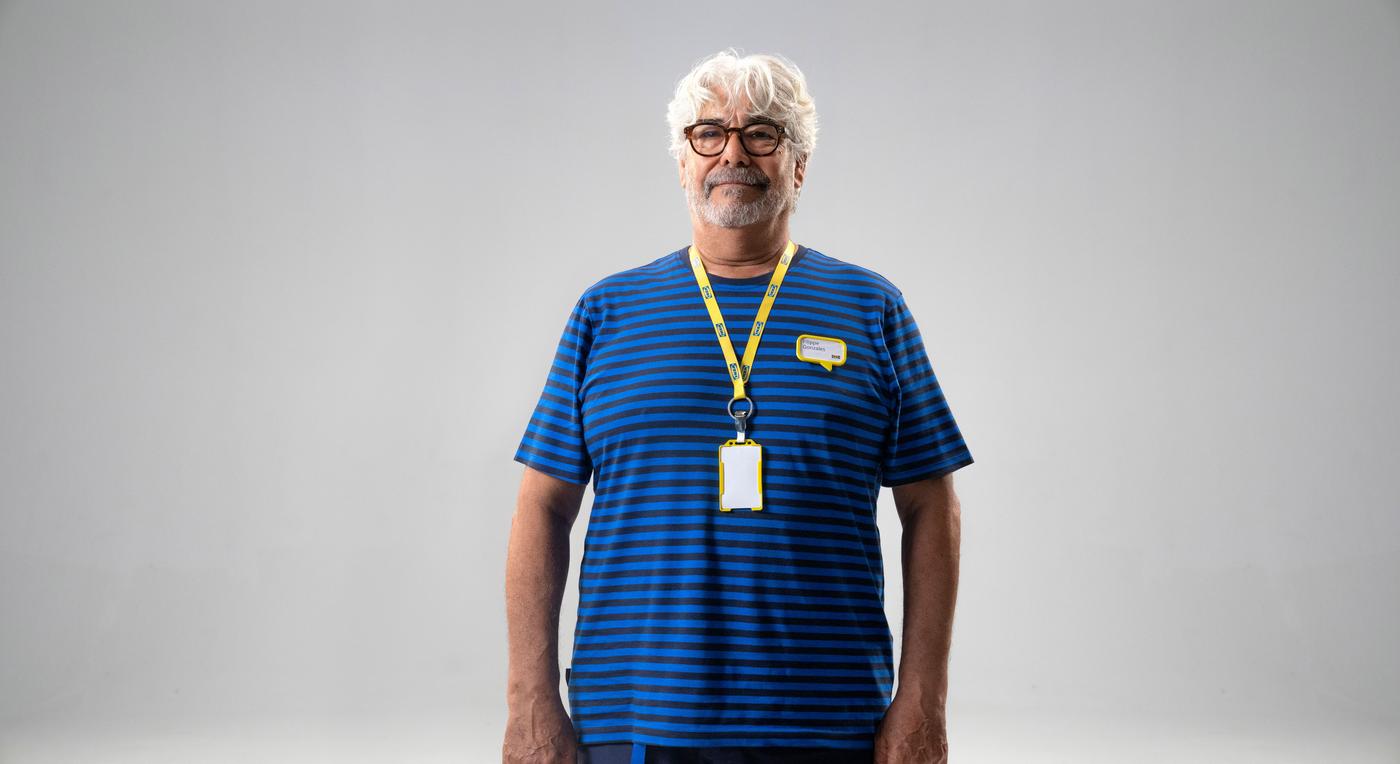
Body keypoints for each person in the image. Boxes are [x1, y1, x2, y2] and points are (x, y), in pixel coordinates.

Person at [503, 49, 973, 764]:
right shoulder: (607, 313)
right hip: (635, 720)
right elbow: (541, 507)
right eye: (708, 133)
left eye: (763, 133)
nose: (733, 152)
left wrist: (924, 702)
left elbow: (931, 506)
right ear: (682, 161)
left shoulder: (872, 309)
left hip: (829, 721)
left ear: (800, 163)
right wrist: (530, 702)